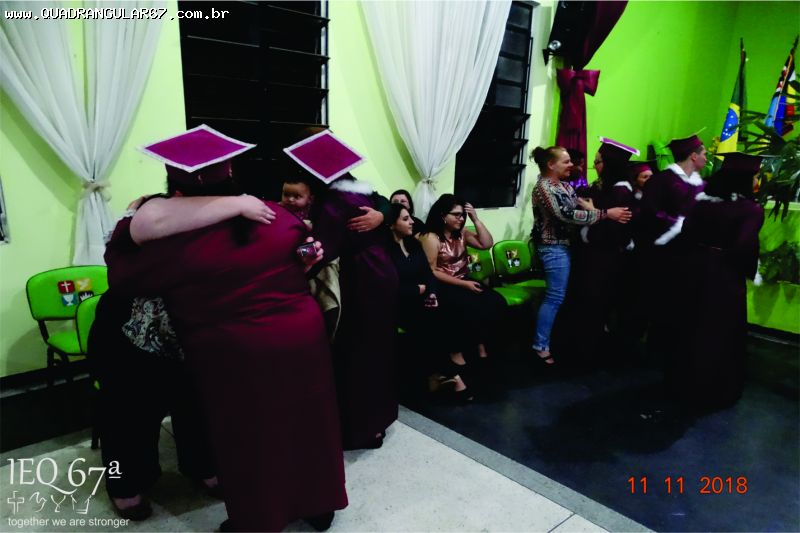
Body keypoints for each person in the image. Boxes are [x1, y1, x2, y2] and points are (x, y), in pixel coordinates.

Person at [105, 126, 348, 532]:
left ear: (173, 184)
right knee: (310, 423)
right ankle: (319, 505)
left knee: (249, 438)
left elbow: (123, 275)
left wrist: (131, 220)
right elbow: (300, 255)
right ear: (231, 170)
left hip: (237, 350)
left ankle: (259, 519)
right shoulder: (276, 215)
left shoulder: (172, 241)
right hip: (301, 338)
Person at [89, 194, 274, 520]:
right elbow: (132, 256)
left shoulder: (211, 223)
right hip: (127, 339)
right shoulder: (140, 224)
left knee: (197, 409)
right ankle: (124, 485)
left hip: (189, 342)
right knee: (128, 418)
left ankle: (203, 466)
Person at [289, 128, 400, 450]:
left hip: (363, 278)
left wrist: (290, 254)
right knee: (378, 350)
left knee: (357, 353)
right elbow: (385, 204)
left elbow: (321, 249)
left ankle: (362, 429)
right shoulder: (359, 191)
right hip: (381, 273)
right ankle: (377, 421)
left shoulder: (334, 202)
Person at [677, 152, 765, 411]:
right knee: (720, 330)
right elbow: (744, 246)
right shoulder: (751, 210)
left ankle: (684, 383)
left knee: (692, 324)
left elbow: (686, 233)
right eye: (755, 177)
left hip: (694, 268)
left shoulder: (702, 203)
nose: (757, 182)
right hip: (724, 275)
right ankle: (714, 389)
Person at [529, 146, 631, 364]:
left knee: (562, 297)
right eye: (566, 162)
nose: (572, 165)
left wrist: (593, 209)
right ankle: (540, 346)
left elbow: (581, 205)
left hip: (567, 246)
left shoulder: (564, 185)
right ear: (551, 165)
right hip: (553, 247)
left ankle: (556, 340)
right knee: (555, 297)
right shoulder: (543, 187)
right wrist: (606, 214)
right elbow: (565, 214)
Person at [555, 138, 640, 362]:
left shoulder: (621, 191)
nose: (595, 166)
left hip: (605, 258)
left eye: (598, 161)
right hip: (592, 255)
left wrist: (593, 212)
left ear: (611, 163)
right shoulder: (605, 186)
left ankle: (588, 354)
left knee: (595, 304)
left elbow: (616, 230)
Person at [637, 134, 707, 397]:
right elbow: (649, 212)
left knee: (682, 304)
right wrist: (679, 224)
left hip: (689, 254)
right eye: (704, 153)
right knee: (662, 302)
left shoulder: (701, 184)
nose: (706, 158)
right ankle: (655, 352)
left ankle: (675, 350)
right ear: (693, 156)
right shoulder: (662, 181)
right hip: (664, 253)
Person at [421, 194, 506, 400]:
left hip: (464, 279)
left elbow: (487, 243)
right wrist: (463, 284)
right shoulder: (431, 237)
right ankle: (457, 353)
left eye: (463, 215)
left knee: (496, 302)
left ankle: (482, 345)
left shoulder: (462, 233)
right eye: (456, 215)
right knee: (467, 307)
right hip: (444, 285)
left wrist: (475, 219)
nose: (461, 219)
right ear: (443, 216)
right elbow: (431, 271)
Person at [386, 203, 444, 391]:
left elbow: (428, 274)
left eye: (410, 217)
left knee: (443, 312)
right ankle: (443, 374)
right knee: (429, 323)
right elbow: (388, 286)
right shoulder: (384, 250)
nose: (412, 221)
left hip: (420, 299)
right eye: (405, 219)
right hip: (398, 304)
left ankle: (438, 374)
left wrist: (432, 293)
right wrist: (415, 290)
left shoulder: (414, 244)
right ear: (392, 224)